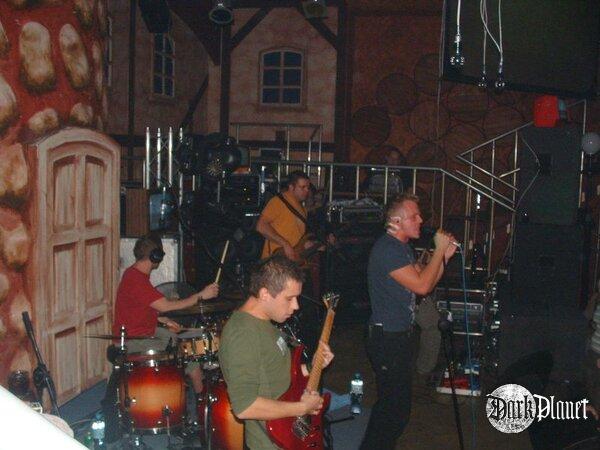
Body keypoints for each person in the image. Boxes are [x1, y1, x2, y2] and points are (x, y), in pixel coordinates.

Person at [360, 194, 457, 449]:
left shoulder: (401, 247)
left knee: (397, 409)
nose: (421, 220)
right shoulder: (388, 249)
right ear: (397, 221)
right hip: (386, 338)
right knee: (392, 409)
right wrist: (438, 250)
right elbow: (423, 286)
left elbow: (425, 280)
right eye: (414, 216)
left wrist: (443, 258)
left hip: (399, 336)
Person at [102, 234, 219, 442]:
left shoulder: (134, 274)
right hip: (133, 340)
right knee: (184, 349)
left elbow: (143, 309)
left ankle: (199, 405)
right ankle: (201, 411)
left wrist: (163, 320)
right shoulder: (136, 279)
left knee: (181, 339)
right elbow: (165, 305)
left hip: (143, 330)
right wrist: (200, 295)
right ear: (156, 256)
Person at [218, 256, 334, 450]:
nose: (296, 306)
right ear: (264, 294)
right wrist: (302, 408)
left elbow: (275, 373)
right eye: (289, 298)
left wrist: (312, 366)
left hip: (290, 432)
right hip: (271, 442)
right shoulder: (242, 334)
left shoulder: (265, 323)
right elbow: (245, 407)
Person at [256, 171, 321, 356]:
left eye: (308, 187)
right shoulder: (278, 202)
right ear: (291, 187)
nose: (306, 191)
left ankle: (301, 350)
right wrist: (284, 243)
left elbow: (298, 242)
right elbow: (261, 225)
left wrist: (313, 246)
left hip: (292, 265)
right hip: (276, 264)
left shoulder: (302, 209)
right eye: (302, 187)